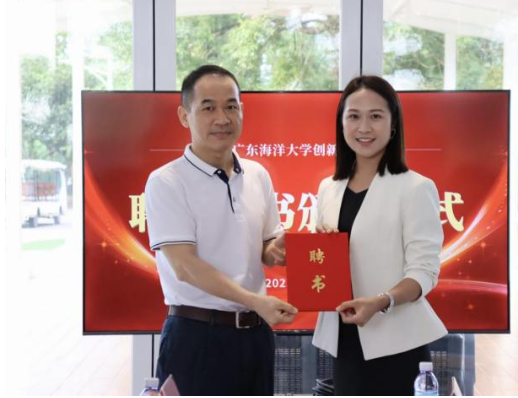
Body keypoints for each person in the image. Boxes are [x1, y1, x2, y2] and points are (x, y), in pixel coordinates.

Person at [145, 64, 298, 395]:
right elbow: (185, 266)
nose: (222, 118)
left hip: (255, 337)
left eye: (231, 106)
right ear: (184, 116)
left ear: (242, 110)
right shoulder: (167, 181)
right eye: (208, 108)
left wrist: (278, 249)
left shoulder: (257, 175)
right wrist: (254, 300)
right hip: (196, 337)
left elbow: (267, 249)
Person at [312, 75, 447, 395]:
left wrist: (382, 301)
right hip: (344, 340)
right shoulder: (328, 188)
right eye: (353, 116)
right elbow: (326, 263)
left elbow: (424, 272)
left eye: (375, 116)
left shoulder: (416, 188)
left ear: (393, 123)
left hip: (397, 343)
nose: (364, 127)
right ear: (341, 124)